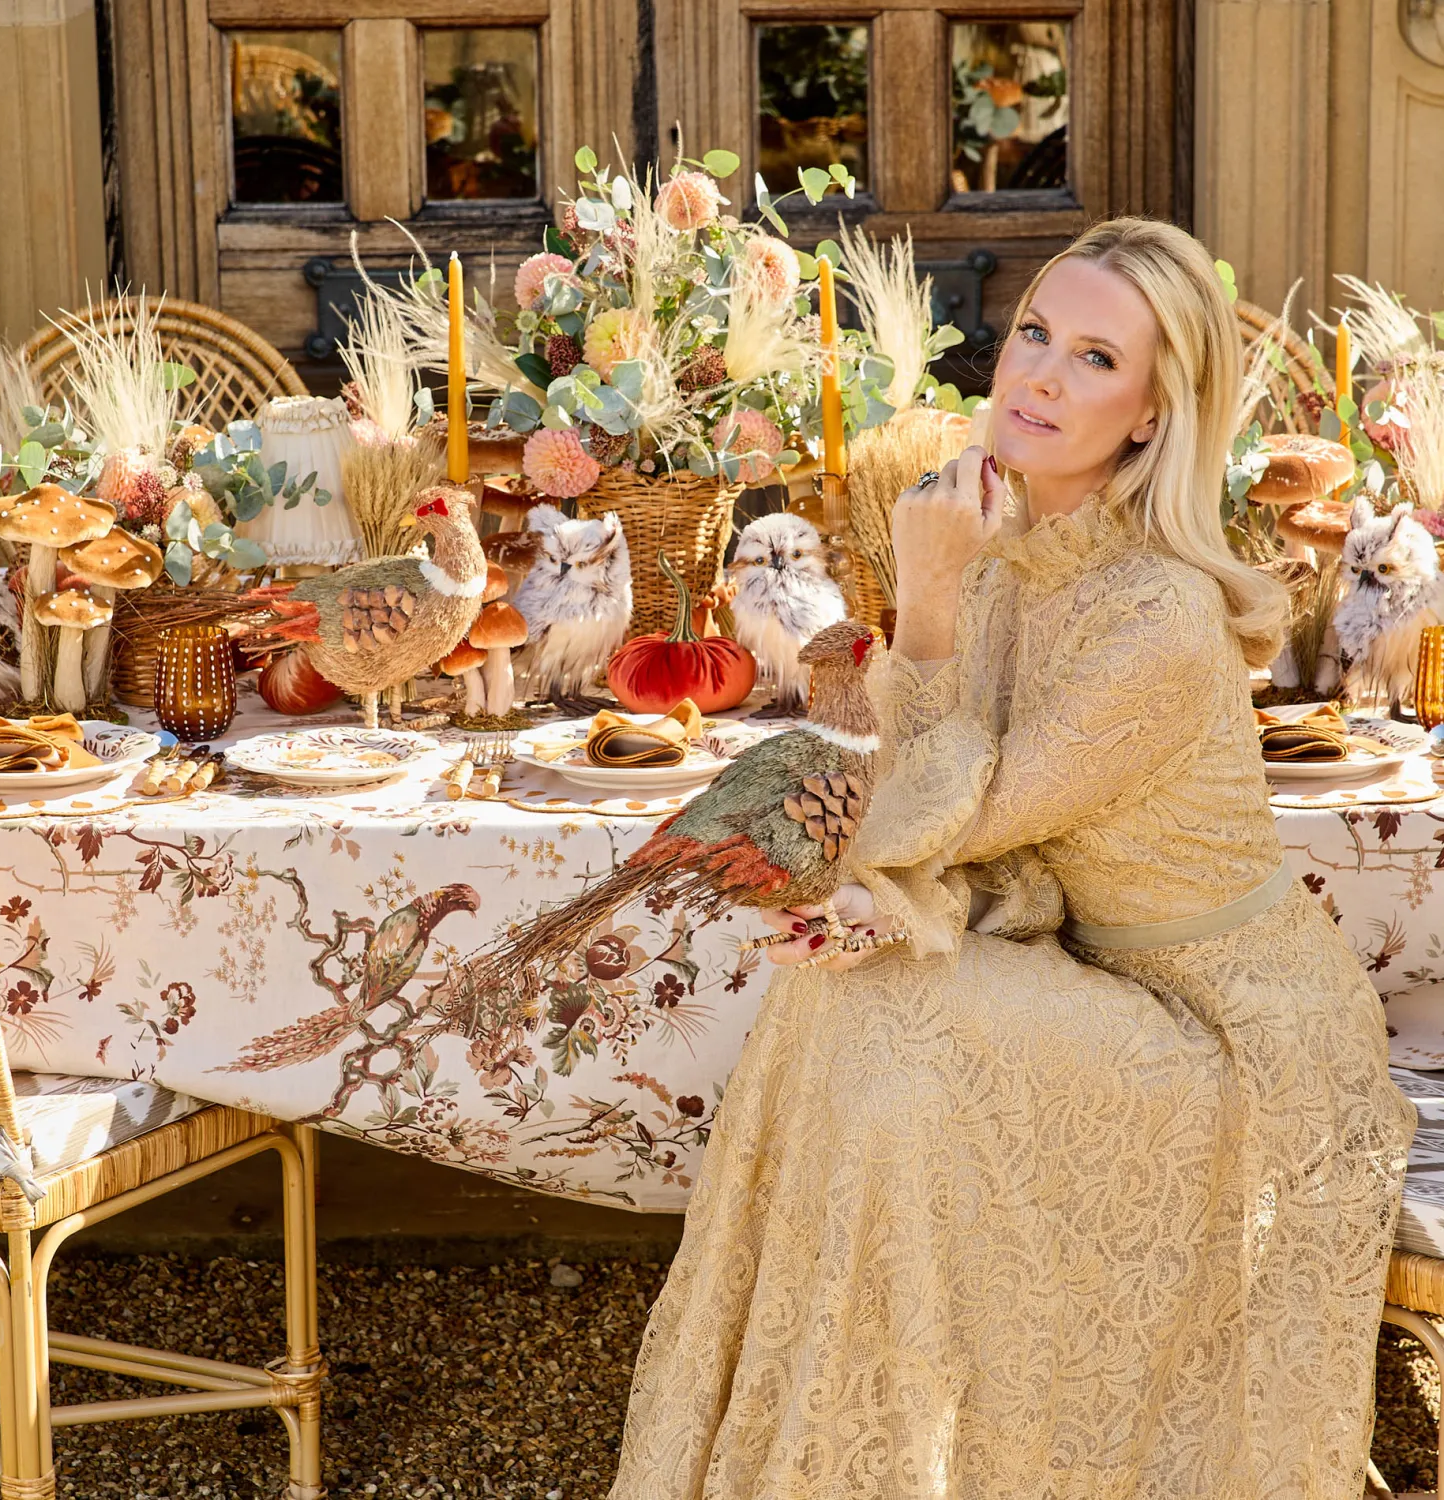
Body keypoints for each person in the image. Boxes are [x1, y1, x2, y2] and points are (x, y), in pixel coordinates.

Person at [604, 218, 1417, 1499]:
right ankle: (828, 1453)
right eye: (1035, 332)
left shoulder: (1153, 612)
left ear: (1153, 415)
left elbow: (951, 813)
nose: (1037, 376)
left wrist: (919, 601)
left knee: (897, 1055)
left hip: (1243, 1041)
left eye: (1096, 358)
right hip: (1093, 969)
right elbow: (982, 842)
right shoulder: (1007, 555)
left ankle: (890, 1454)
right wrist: (889, 910)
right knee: (851, 1006)